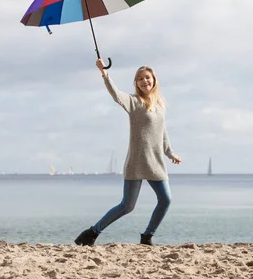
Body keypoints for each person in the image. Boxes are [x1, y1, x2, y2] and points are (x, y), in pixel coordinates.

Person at [75, 59, 182, 246]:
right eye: (140, 79)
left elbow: (162, 134)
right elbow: (116, 95)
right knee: (127, 206)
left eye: (147, 77)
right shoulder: (134, 102)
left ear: (154, 80)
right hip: (136, 162)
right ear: (136, 83)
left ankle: (147, 236)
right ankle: (92, 232)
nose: (144, 81)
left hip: (156, 163)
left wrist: (171, 153)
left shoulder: (160, 105)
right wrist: (104, 73)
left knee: (166, 200)